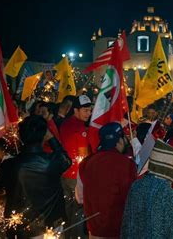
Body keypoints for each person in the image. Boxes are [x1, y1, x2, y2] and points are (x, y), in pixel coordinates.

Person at [0, 115, 71, 237]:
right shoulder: (52, 162)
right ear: (44, 134)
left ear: (20, 136)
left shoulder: (8, 164)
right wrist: (52, 139)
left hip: (20, 229)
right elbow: (66, 159)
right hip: (49, 227)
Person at [76, 122, 137, 238]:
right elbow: (133, 200)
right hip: (118, 231)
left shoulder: (86, 163)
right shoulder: (127, 164)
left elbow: (80, 198)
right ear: (119, 141)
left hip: (94, 232)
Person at [59, 94, 95, 238]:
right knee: (78, 211)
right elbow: (83, 154)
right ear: (76, 110)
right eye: (85, 110)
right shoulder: (80, 129)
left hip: (65, 174)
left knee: (67, 211)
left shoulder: (66, 124)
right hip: (76, 177)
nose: (89, 113)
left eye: (89, 110)